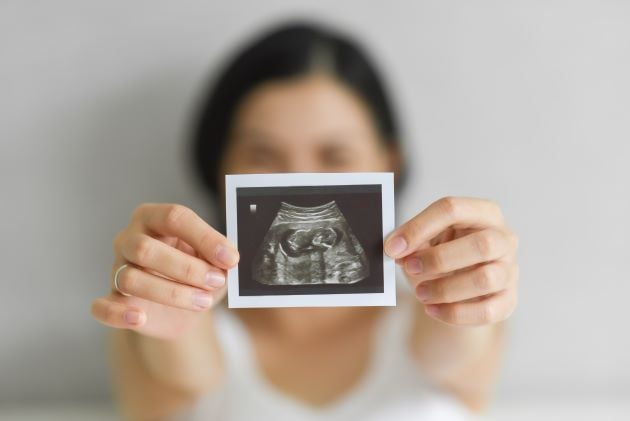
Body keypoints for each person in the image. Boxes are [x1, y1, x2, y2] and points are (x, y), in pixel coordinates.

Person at [91, 22, 519, 421]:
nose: (301, 184)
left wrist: (474, 288)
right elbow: (178, 370)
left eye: (335, 156)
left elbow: (458, 346)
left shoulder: (436, 323)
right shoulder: (168, 318)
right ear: (219, 170)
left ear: (389, 163)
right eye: (262, 155)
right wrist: (164, 326)